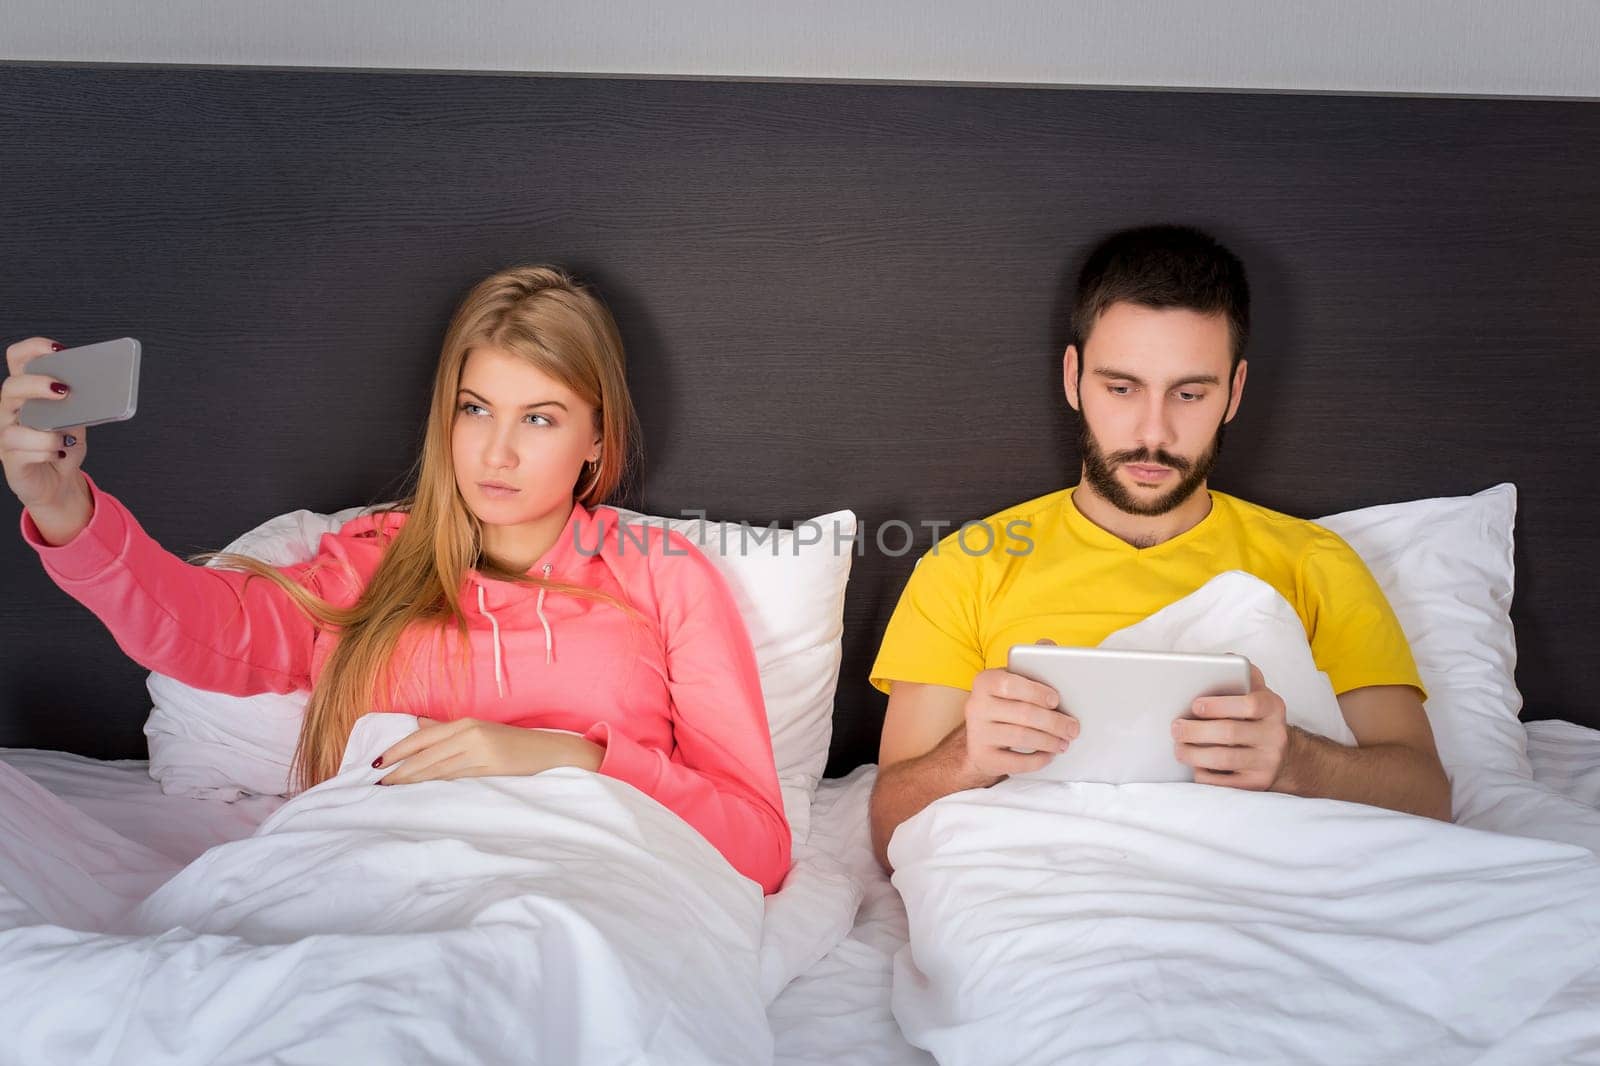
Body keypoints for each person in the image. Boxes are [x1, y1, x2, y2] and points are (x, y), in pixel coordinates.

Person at [3, 265, 791, 895]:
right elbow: (200, 629)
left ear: (597, 438)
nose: (497, 452)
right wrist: (67, 508)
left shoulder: (665, 579)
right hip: (366, 880)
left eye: (540, 418)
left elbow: (759, 845)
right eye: (475, 409)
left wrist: (562, 755)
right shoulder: (370, 560)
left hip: (580, 888)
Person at [868, 224, 1450, 871]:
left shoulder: (1316, 561)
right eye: (1122, 388)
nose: (1154, 432)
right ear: (1073, 378)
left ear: (1233, 391)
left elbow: (1427, 797)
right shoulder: (968, 564)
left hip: (1267, 876)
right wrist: (968, 756)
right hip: (1051, 885)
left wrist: (1295, 760)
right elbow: (888, 823)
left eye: (1190, 393)